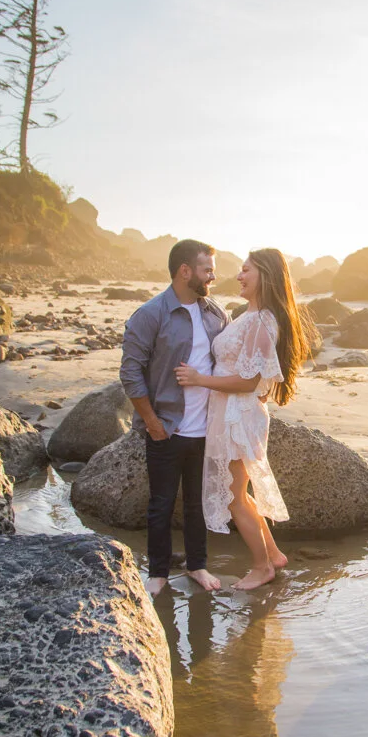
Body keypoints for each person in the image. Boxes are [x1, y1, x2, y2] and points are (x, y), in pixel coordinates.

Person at [175, 248, 313, 590]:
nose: (239, 276)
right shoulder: (249, 316)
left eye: (246, 270)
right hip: (230, 411)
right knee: (239, 492)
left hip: (237, 414)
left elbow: (248, 382)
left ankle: (262, 567)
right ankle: (274, 555)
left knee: (234, 497)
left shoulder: (263, 320)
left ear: (265, 275)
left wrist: (199, 379)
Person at [120, 238, 228, 596]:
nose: (213, 276)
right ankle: (158, 572)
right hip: (166, 428)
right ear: (185, 271)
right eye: (207, 270)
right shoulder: (150, 314)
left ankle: (198, 566)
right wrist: (152, 422)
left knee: (198, 505)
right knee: (161, 505)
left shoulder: (215, 314)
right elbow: (130, 373)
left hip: (205, 430)